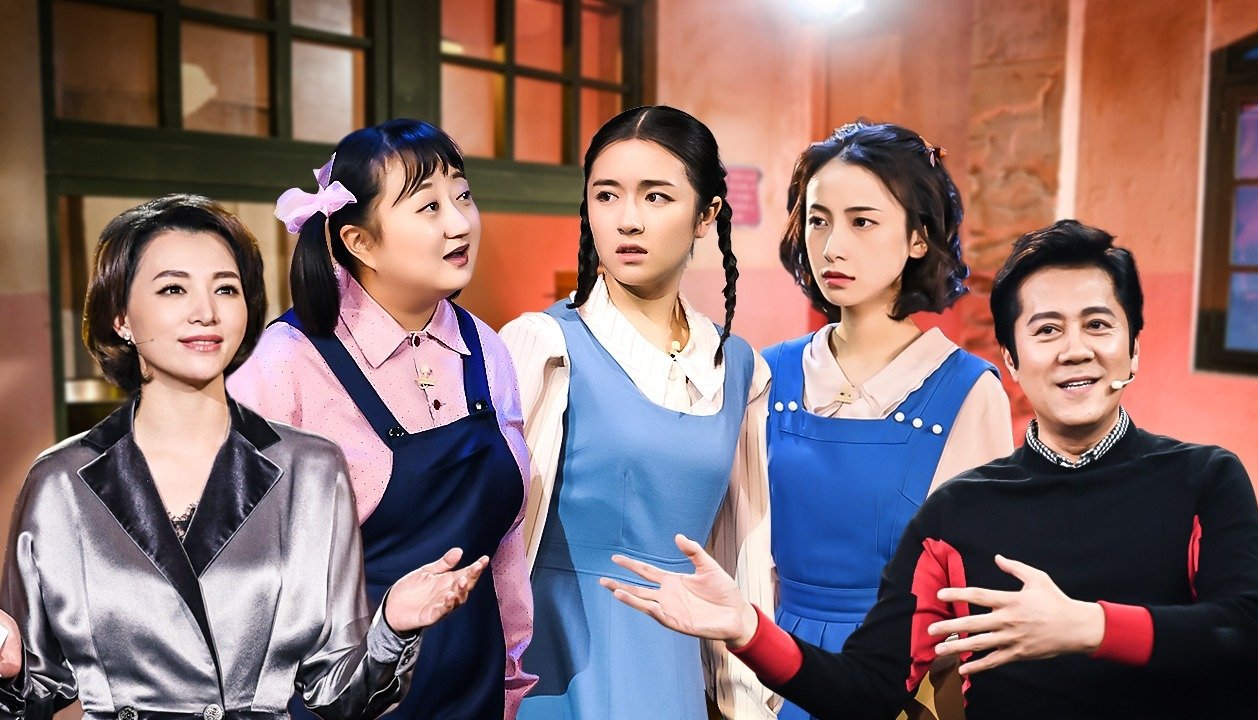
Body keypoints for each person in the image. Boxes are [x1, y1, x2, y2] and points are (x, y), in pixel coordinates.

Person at [602, 219, 1258, 718]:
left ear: (1133, 350)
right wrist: (749, 630)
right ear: (1012, 361)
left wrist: (1088, 627)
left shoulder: (1204, 479)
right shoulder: (960, 510)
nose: (1075, 349)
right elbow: (869, 691)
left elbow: (1252, 632)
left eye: (1098, 325)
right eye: (1046, 330)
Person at [0, 194, 487, 720]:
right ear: (121, 318)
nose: (206, 312)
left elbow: (337, 693)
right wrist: (6, 669)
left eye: (226, 288)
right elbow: (33, 692)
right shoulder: (61, 480)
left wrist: (392, 626)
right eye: (173, 288)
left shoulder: (312, 469)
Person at [227, 119, 534, 720]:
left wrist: (510, 685)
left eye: (463, 196)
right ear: (360, 242)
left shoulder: (487, 349)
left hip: (474, 694)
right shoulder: (287, 364)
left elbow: (504, 550)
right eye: (428, 206)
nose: (459, 223)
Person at [500, 105, 775, 719]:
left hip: (674, 668)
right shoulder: (543, 345)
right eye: (606, 195)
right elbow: (498, 532)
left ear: (707, 215)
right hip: (555, 666)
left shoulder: (740, 368)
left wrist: (746, 701)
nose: (627, 219)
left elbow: (743, 551)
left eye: (656, 197)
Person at [763, 121, 1012, 720]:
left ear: (919, 238)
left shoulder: (968, 392)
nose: (832, 247)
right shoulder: (766, 376)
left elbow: (980, 585)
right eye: (818, 220)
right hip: (768, 665)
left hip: (903, 678)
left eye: (862, 221)